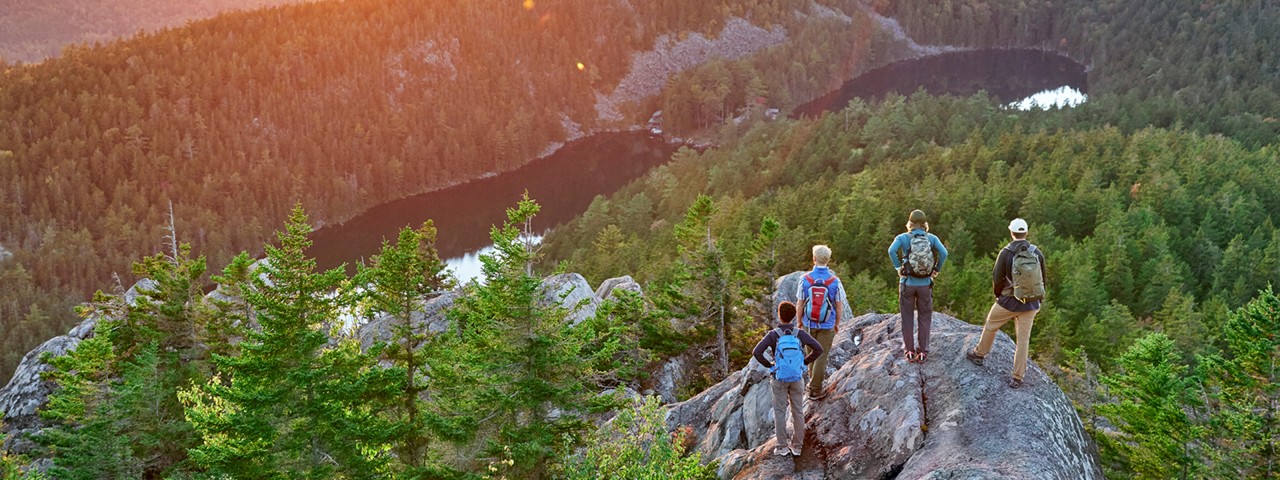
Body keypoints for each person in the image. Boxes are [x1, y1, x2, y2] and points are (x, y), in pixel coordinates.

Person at [966, 218, 1047, 388]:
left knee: (990, 326)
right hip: (1030, 304)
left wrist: (998, 296)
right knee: (1023, 340)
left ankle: (979, 355)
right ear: (1026, 232)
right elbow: (1043, 279)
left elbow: (997, 278)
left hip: (1008, 302)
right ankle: (1018, 377)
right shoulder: (1036, 252)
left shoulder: (1006, 252)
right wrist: (1038, 300)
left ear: (1011, 232)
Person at [752, 301, 824, 456]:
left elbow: (757, 352)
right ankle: (797, 446)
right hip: (797, 378)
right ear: (793, 316)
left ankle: (782, 446)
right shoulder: (800, 333)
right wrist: (804, 362)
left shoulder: (773, 335)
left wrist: (771, 365)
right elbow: (819, 349)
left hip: (779, 377)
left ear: (779, 315)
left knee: (779, 411)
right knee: (798, 411)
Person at [887, 209, 948, 363]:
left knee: (907, 317)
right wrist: (936, 270)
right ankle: (922, 352)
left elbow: (891, 251)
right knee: (925, 317)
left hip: (907, 283)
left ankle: (909, 351)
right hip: (925, 284)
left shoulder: (902, 238)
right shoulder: (931, 238)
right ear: (924, 224)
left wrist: (898, 268)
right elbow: (944, 253)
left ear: (910, 223)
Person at [795, 245, 845, 400]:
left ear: (814, 259)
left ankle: (812, 383)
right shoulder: (834, 281)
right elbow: (838, 305)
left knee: (811, 355)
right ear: (828, 260)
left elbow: (800, 302)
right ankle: (815, 389)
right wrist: (837, 323)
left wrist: (799, 322)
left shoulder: (805, 279)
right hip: (826, 324)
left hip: (809, 323)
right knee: (821, 356)